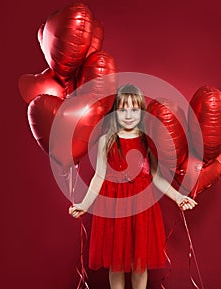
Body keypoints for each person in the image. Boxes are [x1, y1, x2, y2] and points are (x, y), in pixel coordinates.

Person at [69, 84, 197, 289]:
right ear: (115, 113)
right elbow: (99, 176)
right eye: (122, 109)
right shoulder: (106, 140)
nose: (128, 115)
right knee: (116, 265)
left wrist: (178, 197)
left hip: (142, 208)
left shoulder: (148, 140)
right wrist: (85, 203)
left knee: (139, 265)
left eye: (134, 109)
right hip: (114, 209)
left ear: (142, 112)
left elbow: (157, 176)